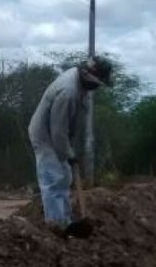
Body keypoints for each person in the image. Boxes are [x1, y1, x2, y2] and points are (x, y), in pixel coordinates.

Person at [27, 56, 112, 238]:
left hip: (57, 134)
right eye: (98, 82)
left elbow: (66, 126)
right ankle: (56, 226)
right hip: (45, 135)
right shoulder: (68, 92)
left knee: (65, 175)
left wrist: (69, 151)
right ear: (88, 77)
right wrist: (68, 153)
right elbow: (58, 130)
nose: (97, 87)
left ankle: (65, 220)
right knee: (53, 177)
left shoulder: (77, 78)